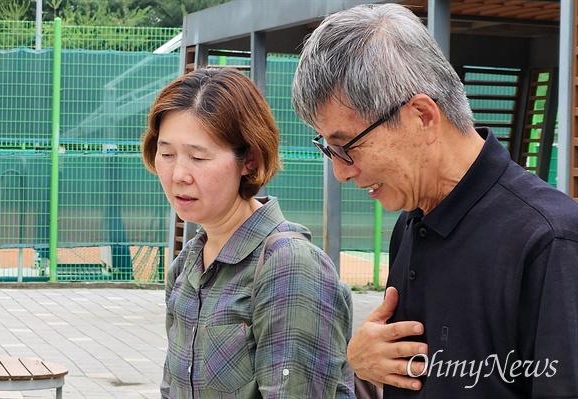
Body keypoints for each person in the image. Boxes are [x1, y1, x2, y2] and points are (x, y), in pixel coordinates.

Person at [292, 3, 578, 398]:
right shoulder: (412, 223)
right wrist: (360, 365)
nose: (341, 172)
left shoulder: (550, 240)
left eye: (347, 147)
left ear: (423, 117)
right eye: (329, 150)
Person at [141, 67, 355, 399]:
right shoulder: (186, 265)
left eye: (198, 157)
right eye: (167, 154)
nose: (178, 174)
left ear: (249, 160)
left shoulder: (289, 266)